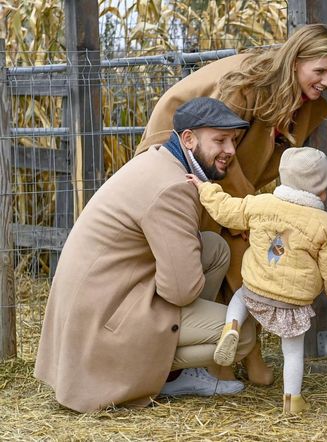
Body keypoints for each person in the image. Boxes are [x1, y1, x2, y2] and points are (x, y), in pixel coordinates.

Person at [136, 23, 327, 385]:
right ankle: (224, 358)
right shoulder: (247, 84)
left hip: (232, 176)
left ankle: (239, 356)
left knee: (246, 246)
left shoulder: (306, 103)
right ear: (296, 61)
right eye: (320, 71)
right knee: (228, 246)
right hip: (192, 159)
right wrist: (251, 211)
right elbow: (218, 144)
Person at [34, 97, 259, 413]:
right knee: (242, 334)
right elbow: (180, 291)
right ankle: (160, 374)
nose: (231, 151)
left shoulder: (160, 160)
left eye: (233, 141)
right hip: (105, 324)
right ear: (188, 139)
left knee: (214, 248)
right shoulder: (172, 187)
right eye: (219, 140)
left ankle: (181, 371)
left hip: (100, 300)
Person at [186, 146, 327, 413]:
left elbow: (226, 210)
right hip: (293, 302)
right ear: (321, 189)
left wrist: (205, 188)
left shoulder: (260, 203)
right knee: (293, 351)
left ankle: (232, 326)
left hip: (256, 288)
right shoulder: (324, 223)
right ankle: (292, 400)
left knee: (240, 295)